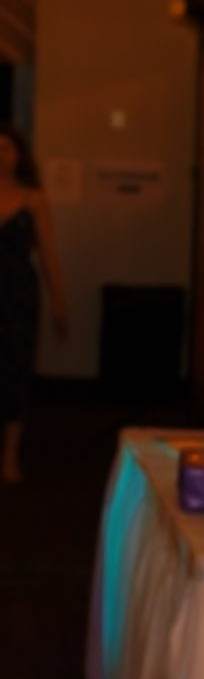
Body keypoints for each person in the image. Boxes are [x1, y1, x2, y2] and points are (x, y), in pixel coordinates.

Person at [0, 123, 65, 485]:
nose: (1, 154)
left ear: (19, 154)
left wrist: (58, 297)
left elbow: (48, 253)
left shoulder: (33, 198)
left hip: (17, 292)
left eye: (8, 147)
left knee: (15, 367)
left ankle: (10, 455)